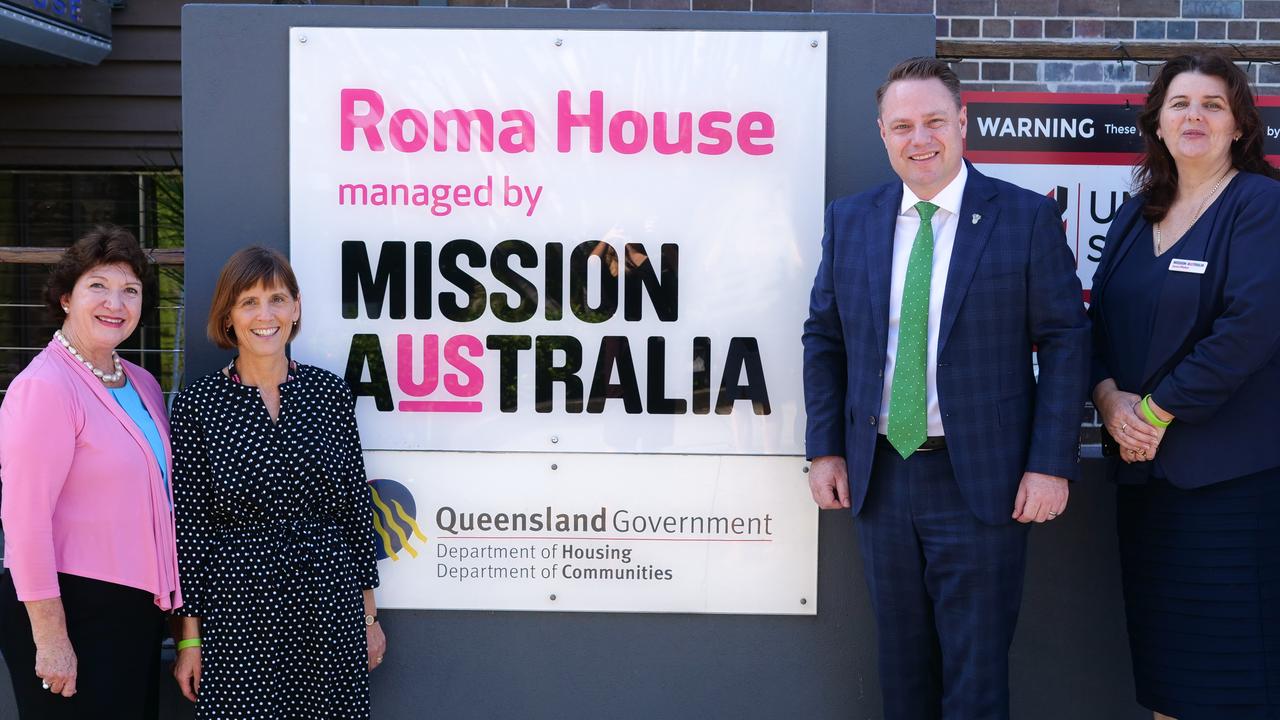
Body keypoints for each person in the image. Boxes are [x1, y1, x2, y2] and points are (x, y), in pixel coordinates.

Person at [802, 57, 1089, 720]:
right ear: (882, 134)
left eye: (934, 120)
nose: (919, 138)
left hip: (981, 482)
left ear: (963, 122)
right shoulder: (851, 220)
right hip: (882, 475)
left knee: (975, 672)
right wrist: (824, 448)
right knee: (901, 671)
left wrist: (1050, 463)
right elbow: (825, 340)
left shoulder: (1023, 219)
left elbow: (1068, 340)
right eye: (902, 125)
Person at [1089, 53, 1280, 720]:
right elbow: (1096, 326)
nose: (1193, 116)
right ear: (1159, 124)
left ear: (1238, 127)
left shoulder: (1262, 205)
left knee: (1231, 678)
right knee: (1168, 676)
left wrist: (1156, 411)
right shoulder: (1135, 215)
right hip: (1146, 484)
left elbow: (1251, 328)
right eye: (1179, 104)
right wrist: (1109, 399)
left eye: (1212, 105)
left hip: (1231, 484)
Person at [169, 246, 386, 718]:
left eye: (277, 299)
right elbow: (189, 530)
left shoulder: (328, 393)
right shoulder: (197, 405)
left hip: (327, 598)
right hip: (239, 608)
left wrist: (368, 617)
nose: (264, 315)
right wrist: (190, 638)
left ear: (296, 308)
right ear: (228, 315)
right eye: (248, 302)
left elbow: (353, 509)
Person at [0, 226, 180, 718]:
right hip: (71, 608)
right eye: (97, 286)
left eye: (131, 290)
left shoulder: (141, 383)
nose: (114, 303)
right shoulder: (45, 387)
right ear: (66, 298)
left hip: (134, 611)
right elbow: (25, 523)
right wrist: (52, 638)